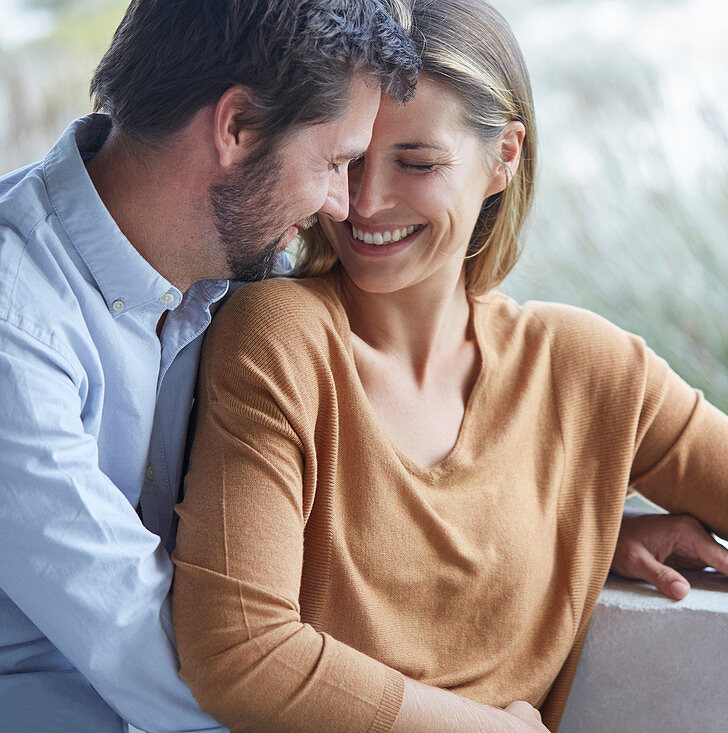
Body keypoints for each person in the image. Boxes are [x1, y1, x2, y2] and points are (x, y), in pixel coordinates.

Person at [171, 0, 728, 731]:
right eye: (349, 159)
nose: (365, 202)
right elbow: (239, 650)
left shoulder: (588, 367)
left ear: (503, 157)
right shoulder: (278, 336)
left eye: (416, 162)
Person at [0, 1, 420, 730]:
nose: (341, 205)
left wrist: (586, 510)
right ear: (236, 127)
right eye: (334, 162)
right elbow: (143, 643)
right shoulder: (16, 321)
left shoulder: (241, 274)